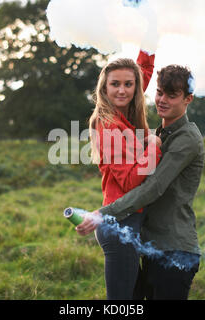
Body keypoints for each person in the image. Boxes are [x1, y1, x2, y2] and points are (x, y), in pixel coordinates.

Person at [77, 64, 205, 300]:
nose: (162, 100)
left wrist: (104, 213)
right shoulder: (158, 134)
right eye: (159, 92)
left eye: (172, 95)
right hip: (150, 246)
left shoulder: (186, 138)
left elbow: (153, 187)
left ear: (188, 99)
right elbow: (131, 82)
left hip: (174, 249)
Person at [76, 50, 162, 300]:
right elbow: (130, 180)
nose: (122, 90)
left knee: (135, 298)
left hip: (131, 220)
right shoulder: (108, 124)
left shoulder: (124, 111)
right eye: (115, 84)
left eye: (128, 84)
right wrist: (154, 145)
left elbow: (142, 71)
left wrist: (149, 35)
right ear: (104, 88)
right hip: (120, 224)